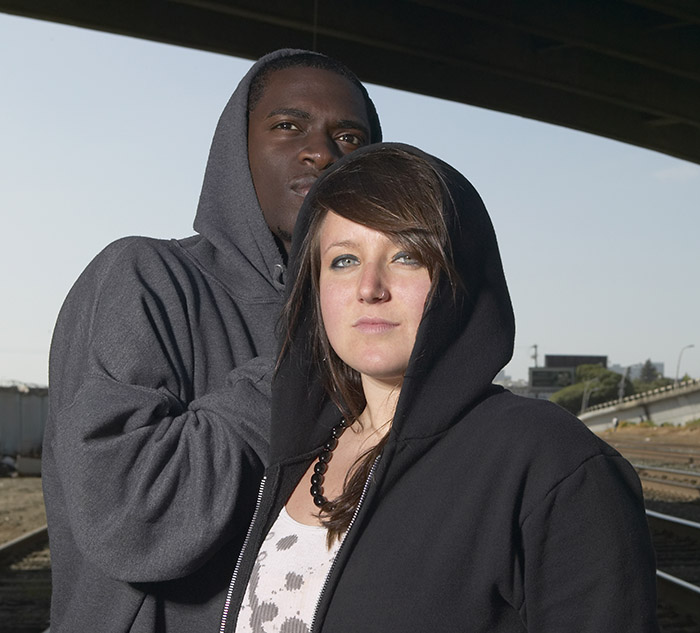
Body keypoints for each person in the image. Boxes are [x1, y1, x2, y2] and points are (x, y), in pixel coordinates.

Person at [220, 143, 660, 632]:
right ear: (314, 285)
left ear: (460, 276)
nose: (370, 287)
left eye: (406, 256)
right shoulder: (301, 451)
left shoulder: (550, 461)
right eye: (343, 261)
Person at [42, 49, 381, 631]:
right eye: (287, 125)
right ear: (235, 151)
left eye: (349, 138)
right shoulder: (145, 277)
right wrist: (308, 352)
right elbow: (137, 517)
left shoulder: (379, 323)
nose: (321, 152)